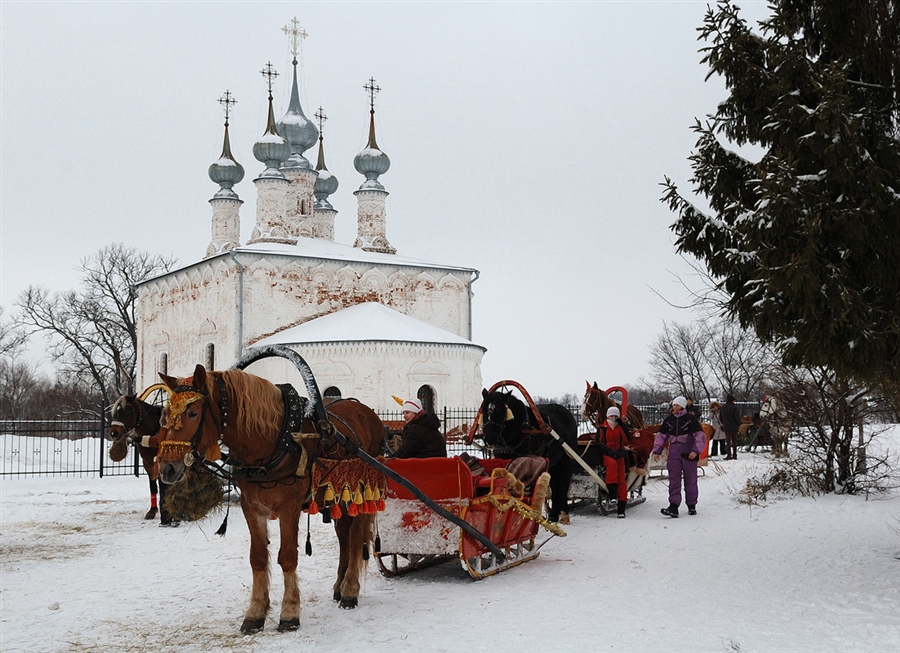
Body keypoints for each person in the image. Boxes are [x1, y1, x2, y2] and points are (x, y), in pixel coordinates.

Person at [652, 396, 706, 517]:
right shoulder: (669, 420)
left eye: (677, 405)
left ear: (682, 406)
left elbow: (700, 436)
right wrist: (657, 451)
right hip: (674, 452)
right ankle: (673, 506)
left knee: (690, 479)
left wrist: (696, 450)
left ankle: (691, 505)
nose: (674, 407)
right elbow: (661, 436)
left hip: (688, 453)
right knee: (674, 479)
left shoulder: (691, 419)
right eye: (674, 405)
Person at [596, 406, 631, 519]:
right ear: (607, 416)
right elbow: (599, 443)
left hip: (619, 455)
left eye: (615, 416)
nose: (613, 418)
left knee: (622, 479)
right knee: (612, 465)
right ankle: (612, 494)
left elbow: (627, 440)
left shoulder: (620, 428)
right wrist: (610, 452)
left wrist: (623, 425)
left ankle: (621, 508)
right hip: (607, 455)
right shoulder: (603, 429)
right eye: (611, 416)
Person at [720, 394, 742, 460]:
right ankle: (734, 454)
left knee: (728, 441)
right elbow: (737, 418)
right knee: (734, 441)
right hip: (734, 427)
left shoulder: (723, 407)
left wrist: (724, 423)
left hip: (726, 427)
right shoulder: (735, 408)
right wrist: (738, 424)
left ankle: (728, 454)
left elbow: (720, 417)